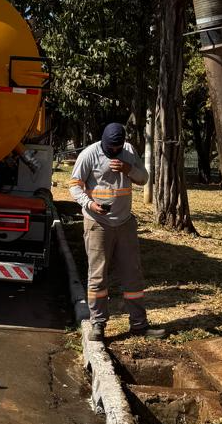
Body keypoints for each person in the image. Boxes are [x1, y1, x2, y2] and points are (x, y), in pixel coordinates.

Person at [69, 122, 150, 341]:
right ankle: (98, 324)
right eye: (110, 147)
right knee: (97, 276)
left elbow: (143, 178)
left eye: (117, 147)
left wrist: (128, 169)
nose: (113, 151)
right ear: (103, 141)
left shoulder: (129, 151)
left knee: (133, 274)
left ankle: (139, 324)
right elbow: (74, 185)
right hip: (97, 224)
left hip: (125, 223)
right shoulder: (89, 154)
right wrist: (89, 204)